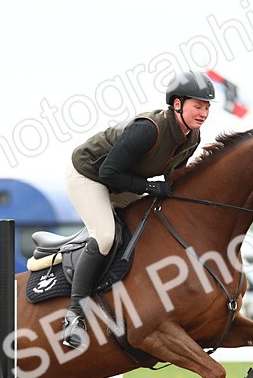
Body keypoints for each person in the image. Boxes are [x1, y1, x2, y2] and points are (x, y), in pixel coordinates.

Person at [60, 70, 215, 348]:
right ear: (177, 104)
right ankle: (74, 315)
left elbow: (173, 178)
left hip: (121, 183)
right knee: (105, 236)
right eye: (198, 105)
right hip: (89, 176)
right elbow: (108, 172)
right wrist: (151, 187)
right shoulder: (148, 129)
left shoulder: (192, 138)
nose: (203, 112)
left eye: (207, 107)